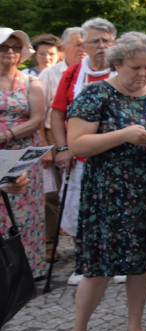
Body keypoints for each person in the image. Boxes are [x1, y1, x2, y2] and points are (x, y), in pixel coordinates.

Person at [63, 32, 146, 331]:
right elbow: (77, 145)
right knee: (98, 268)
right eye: (135, 68)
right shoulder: (96, 93)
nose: (142, 74)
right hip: (107, 194)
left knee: (141, 264)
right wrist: (124, 135)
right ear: (116, 63)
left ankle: (135, 327)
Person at [51, 17, 119, 285]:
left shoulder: (121, 69)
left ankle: (118, 259)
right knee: (81, 209)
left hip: (117, 155)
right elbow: (57, 114)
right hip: (81, 156)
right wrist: (63, 147)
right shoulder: (72, 74)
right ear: (85, 46)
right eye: (95, 41)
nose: (101, 46)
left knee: (117, 207)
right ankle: (85, 261)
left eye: (106, 40)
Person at [0, 27, 45, 277]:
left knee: (27, 214)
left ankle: (30, 270)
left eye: (15, 48)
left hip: (23, 156)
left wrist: (6, 135)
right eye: (4, 47)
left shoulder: (30, 81)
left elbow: (38, 118)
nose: (10, 52)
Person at [39, 27, 81, 261]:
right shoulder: (50, 74)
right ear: (64, 47)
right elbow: (44, 112)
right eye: (78, 44)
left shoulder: (93, 70)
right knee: (52, 194)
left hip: (83, 136)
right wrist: (46, 146)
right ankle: (50, 243)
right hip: (55, 135)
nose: (83, 49)